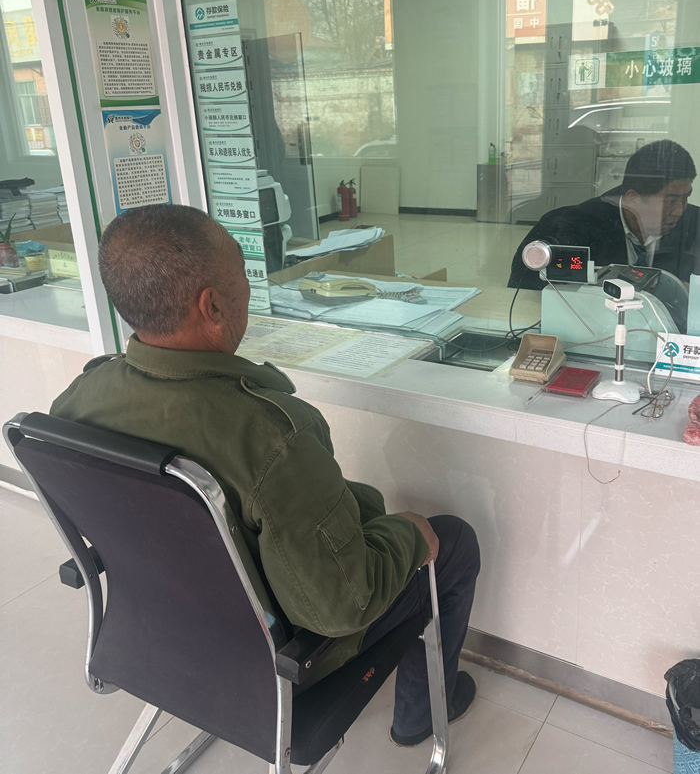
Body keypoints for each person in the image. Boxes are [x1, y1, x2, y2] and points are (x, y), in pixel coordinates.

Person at [50, 204, 481, 748]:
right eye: (243, 274)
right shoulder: (273, 434)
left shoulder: (76, 401)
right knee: (452, 539)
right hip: (276, 663)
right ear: (212, 305)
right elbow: (339, 608)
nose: (250, 289)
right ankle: (419, 717)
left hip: (154, 635)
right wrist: (410, 533)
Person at [509, 139, 700, 290]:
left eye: (686, 198)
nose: (679, 210)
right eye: (670, 201)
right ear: (633, 198)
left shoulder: (695, 225)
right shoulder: (571, 228)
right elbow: (528, 296)